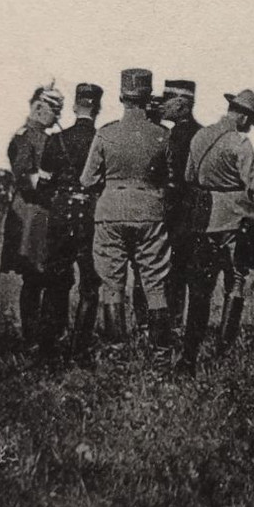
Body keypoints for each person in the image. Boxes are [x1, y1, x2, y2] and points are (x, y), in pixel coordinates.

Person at [181, 89, 254, 372]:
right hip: (236, 222)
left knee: (200, 291)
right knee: (235, 281)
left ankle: (188, 356)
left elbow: (188, 176)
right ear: (244, 116)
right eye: (251, 120)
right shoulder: (240, 142)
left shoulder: (200, 137)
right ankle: (223, 351)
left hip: (203, 221)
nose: (250, 126)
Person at [81, 68, 173, 347]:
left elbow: (87, 179)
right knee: (155, 285)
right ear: (148, 98)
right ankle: (159, 354)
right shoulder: (162, 135)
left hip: (110, 213)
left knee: (112, 285)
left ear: (122, 97)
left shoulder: (106, 133)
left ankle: (116, 353)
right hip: (150, 214)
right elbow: (170, 178)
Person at [1, 84, 70, 355]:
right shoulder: (25, 137)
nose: (57, 116)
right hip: (31, 213)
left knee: (45, 277)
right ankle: (32, 337)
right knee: (33, 277)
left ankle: (47, 333)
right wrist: (53, 180)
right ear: (39, 108)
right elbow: (23, 176)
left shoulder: (44, 136)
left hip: (43, 212)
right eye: (54, 110)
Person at [48, 82, 104, 358]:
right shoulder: (103, 139)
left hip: (60, 214)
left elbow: (45, 182)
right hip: (91, 214)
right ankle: (80, 348)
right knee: (90, 283)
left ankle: (51, 343)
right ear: (99, 108)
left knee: (56, 279)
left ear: (74, 106)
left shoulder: (56, 139)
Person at [159, 79, 203, 330]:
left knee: (173, 272)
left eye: (167, 102)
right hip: (196, 213)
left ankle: (172, 325)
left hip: (175, 213)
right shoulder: (202, 133)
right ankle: (180, 324)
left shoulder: (174, 136)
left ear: (181, 105)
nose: (162, 107)